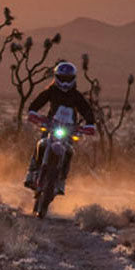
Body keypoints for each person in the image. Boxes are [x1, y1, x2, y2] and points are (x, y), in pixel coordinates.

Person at [24, 60, 96, 192]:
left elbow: (86, 110)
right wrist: (33, 112)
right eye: (62, 78)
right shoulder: (51, 91)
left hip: (69, 128)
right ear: (56, 77)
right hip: (51, 124)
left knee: (69, 151)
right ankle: (31, 173)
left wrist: (90, 125)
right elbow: (38, 102)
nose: (65, 81)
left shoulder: (76, 95)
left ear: (73, 79)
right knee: (41, 143)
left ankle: (61, 181)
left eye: (68, 79)